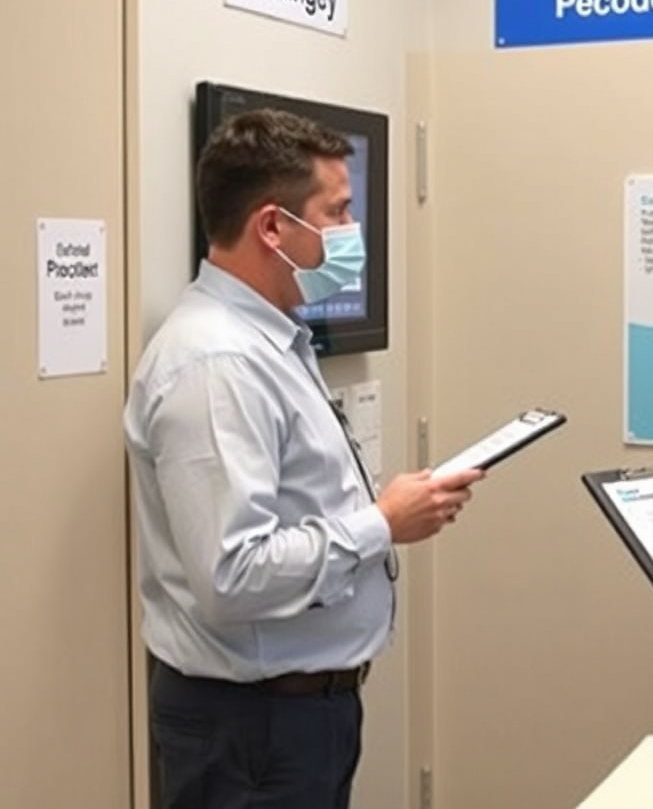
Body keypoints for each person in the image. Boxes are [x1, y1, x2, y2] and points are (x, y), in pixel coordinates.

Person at [124, 108, 483, 809]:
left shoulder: (271, 339)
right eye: (337, 211)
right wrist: (381, 524)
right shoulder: (217, 364)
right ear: (272, 227)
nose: (352, 230)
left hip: (299, 717)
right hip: (250, 730)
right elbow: (232, 575)